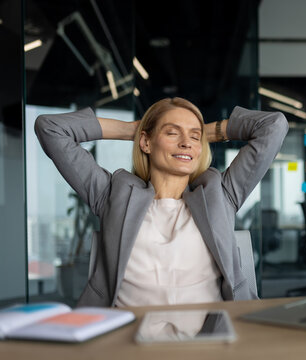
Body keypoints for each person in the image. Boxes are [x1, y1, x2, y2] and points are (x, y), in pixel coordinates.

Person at [34, 97, 288, 307]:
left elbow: (274, 126)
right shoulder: (113, 194)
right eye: (172, 132)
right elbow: (50, 128)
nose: (186, 143)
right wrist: (129, 131)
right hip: (126, 334)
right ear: (146, 142)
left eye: (194, 137)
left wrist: (211, 131)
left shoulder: (220, 193)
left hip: (208, 335)